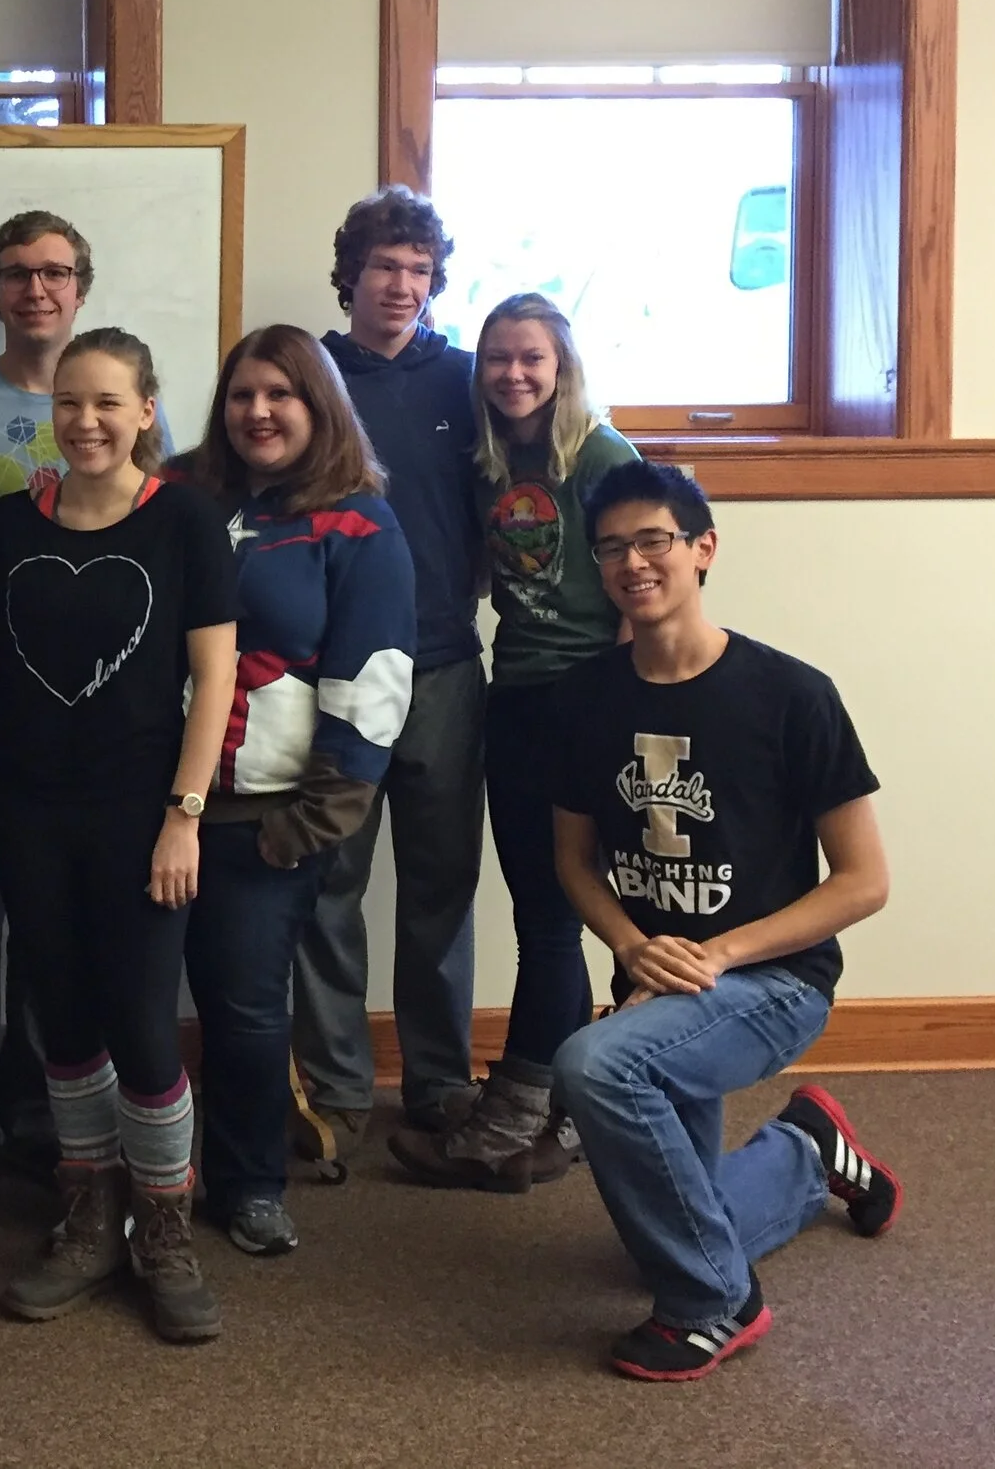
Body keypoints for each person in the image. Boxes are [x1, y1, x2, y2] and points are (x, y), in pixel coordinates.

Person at [549, 460, 900, 1381]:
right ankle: (806, 1148)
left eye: (654, 539)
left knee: (595, 1064)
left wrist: (719, 952)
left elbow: (863, 881)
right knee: (673, 1223)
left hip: (772, 981)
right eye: (612, 547)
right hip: (659, 980)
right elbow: (573, 862)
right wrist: (630, 947)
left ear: (703, 549)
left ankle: (717, 1303)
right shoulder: (586, 699)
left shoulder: (792, 694)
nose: (633, 561)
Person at [0, 328, 236, 1341]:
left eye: (109, 402)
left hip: (142, 818)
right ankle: (87, 1216)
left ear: (146, 410)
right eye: (70, 403)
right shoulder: (7, 526)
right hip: (28, 814)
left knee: (142, 1024)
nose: (87, 421)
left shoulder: (188, 521)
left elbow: (214, 680)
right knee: (62, 1024)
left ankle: (162, 1226)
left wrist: (183, 817)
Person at [0, 210, 175, 1187]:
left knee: (52, 944)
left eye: (55, 273)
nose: (37, 290)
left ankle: (39, 1118)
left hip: (99, 727)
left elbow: (159, 545)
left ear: (80, 288)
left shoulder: (128, 405)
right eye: (18, 274)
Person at [174, 325, 417, 1258]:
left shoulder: (358, 519)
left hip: (264, 820)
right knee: (137, 997)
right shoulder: (180, 493)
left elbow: (375, 683)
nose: (258, 412)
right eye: (242, 394)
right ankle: (137, 1173)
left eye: (281, 394)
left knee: (245, 1010)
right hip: (155, 810)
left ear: (318, 407)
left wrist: (306, 826)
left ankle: (249, 1181)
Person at [393, 293, 635, 1191]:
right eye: (496, 358)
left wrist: (612, 714)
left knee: (559, 920)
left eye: (531, 357)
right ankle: (560, 1110)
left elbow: (645, 590)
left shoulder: (603, 457)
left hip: (588, 705)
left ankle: (521, 1116)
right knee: (546, 909)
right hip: (517, 697)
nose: (513, 374)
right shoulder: (496, 462)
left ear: (562, 364)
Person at [293, 185, 488, 1176]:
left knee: (440, 889)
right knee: (328, 887)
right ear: (351, 275)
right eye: (385, 267)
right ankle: (330, 1097)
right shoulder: (309, 379)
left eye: (418, 269)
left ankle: (440, 1087)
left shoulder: (467, 380)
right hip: (335, 677)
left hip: (448, 665)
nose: (402, 285)